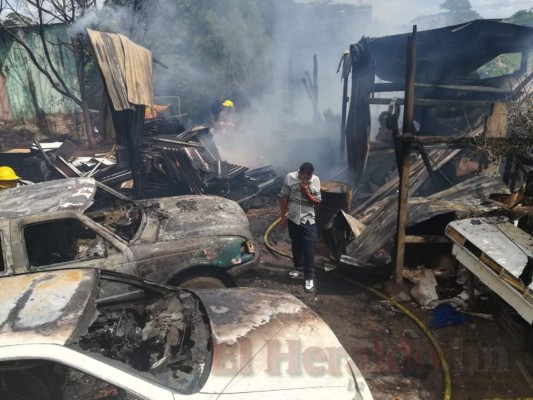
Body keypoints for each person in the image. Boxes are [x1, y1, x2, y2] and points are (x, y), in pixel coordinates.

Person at [279, 162, 321, 292]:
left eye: (309, 178)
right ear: (300, 173)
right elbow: (284, 196)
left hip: (308, 220)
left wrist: (306, 192)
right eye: (305, 178)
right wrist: (283, 216)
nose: (307, 180)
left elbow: (317, 202)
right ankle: (298, 268)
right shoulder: (290, 177)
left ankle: (309, 277)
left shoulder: (315, 180)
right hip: (293, 218)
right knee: (296, 246)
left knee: (309, 248)